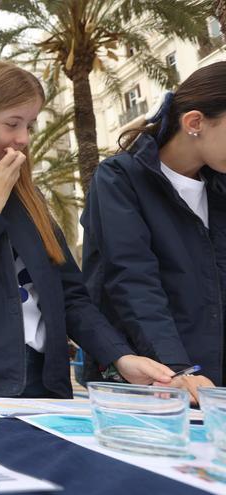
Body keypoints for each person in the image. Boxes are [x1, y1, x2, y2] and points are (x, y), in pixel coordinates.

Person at [0, 60, 174, 398]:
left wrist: (121, 355)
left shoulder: (30, 198)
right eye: (12, 123)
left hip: (46, 383)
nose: (23, 139)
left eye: (30, 125)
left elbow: (71, 295)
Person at [82, 62, 226, 402]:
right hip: (151, 387)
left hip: (214, 391)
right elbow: (133, 282)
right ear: (195, 123)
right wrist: (178, 370)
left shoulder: (219, 190)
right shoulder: (119, 180)